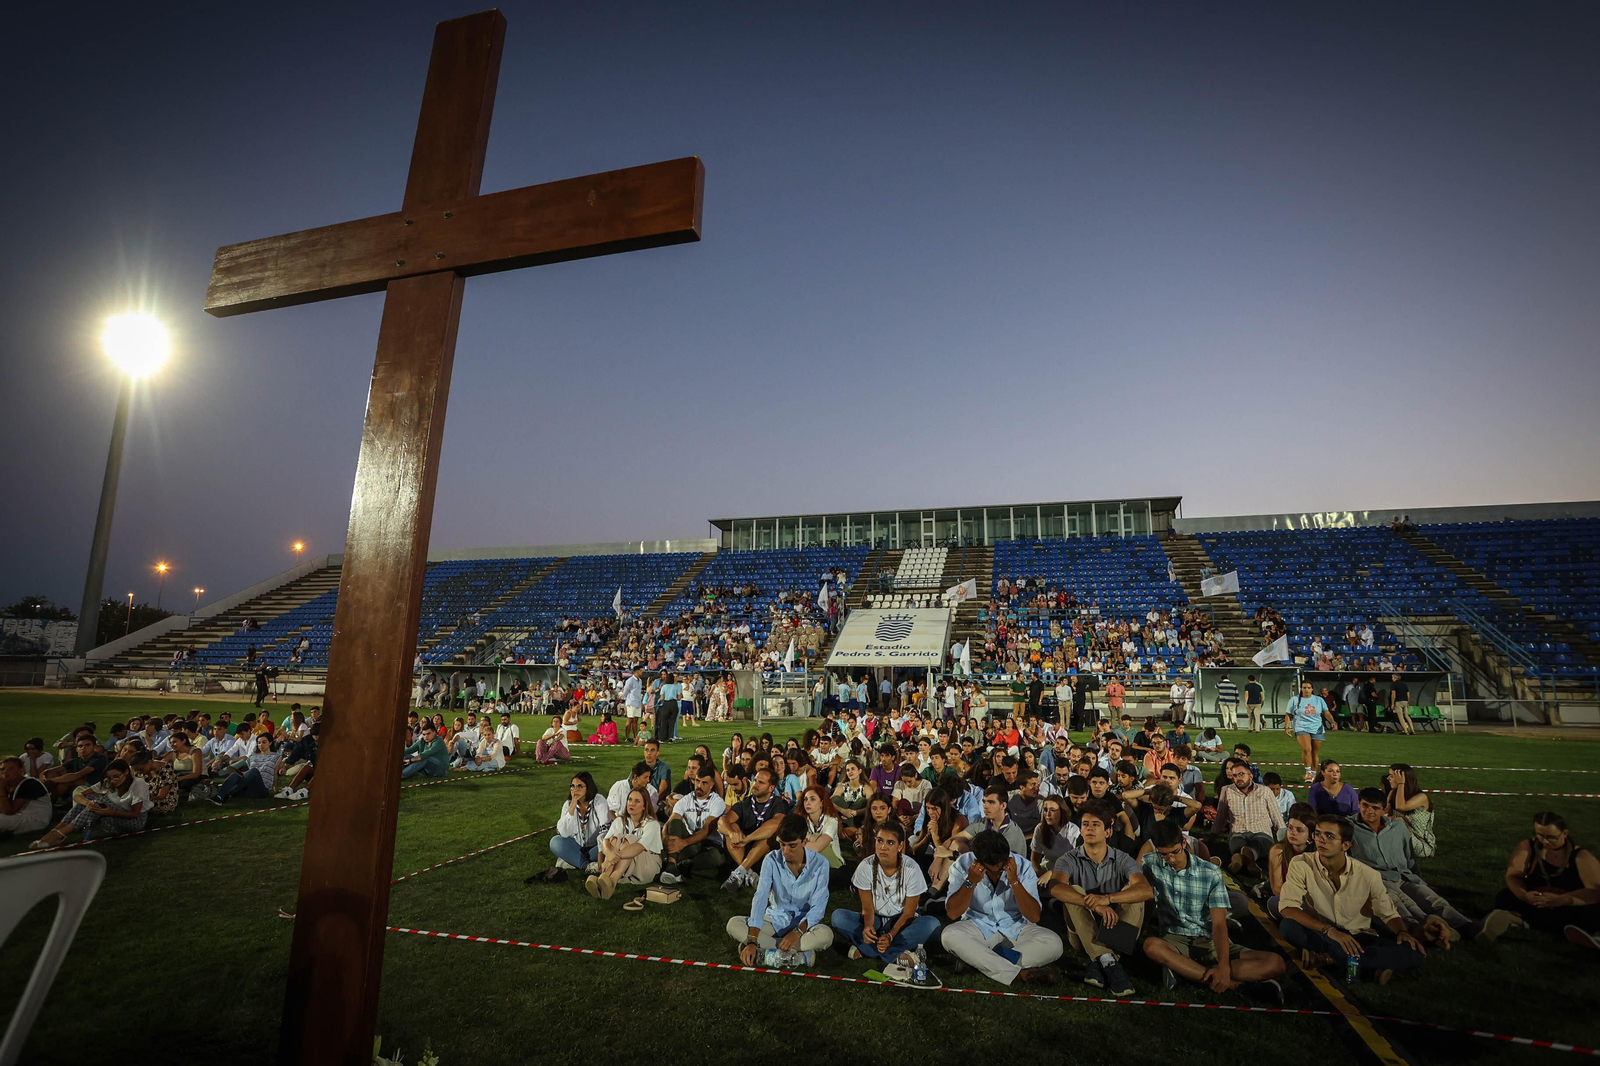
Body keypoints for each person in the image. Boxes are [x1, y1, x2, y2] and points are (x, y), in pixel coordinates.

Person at [1141, 820, 1287, 1000]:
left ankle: (1187, 971)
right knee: (1151, 946)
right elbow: (1144, 898)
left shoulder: (1210, 873)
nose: (1171, 859)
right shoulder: (1149, 863)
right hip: (1174, 938)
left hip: (1208, 938)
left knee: (1276, 963)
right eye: (1164, 855)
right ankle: (1235, 985)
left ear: (1184, 843)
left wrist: (1224, 967)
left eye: (1175, 852)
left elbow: (1219, 924)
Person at [1278, 815, 1428, 981]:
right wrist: (1329, 930)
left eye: (1329, 836)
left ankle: (1330, 959)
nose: (1321, 840)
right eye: (1318, 834)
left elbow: (1387, 913)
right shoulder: (1301, 863)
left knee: (1415, 953)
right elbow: (1288, 908)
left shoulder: (1368, 875)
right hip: (1322, 932)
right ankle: (1359, 967)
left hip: (1357, 936)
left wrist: (1402, 931)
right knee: (1288, 926)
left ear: (1346, 845)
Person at [1351, 787, 1488, 946]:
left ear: (1384, 809)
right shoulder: (1349, 828)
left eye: (1375, 808)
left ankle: (1467, 927)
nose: (1369, 811)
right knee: (1402, 904)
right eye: (1365, 805)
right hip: (1377, 879)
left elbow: (1410, 857)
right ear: (1358, 803)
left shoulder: (1397, 827)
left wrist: (1420, 880)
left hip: (1404, 876)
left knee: (1432, 899)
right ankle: (1428, 928)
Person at [1048, 801, 1150, 995]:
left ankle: (1099, 960)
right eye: (1085, 824)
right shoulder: (1068, 859)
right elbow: (1055, 889)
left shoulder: (1122, 858)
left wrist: (1108, 899)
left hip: (1116, 929)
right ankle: (1110, 962)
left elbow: (1146, 890)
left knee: (1134, 892)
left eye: (1096, 825)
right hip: (1082, 930)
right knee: (1074, 890)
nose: (1089, 829)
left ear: (1108, 832)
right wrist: (1095, 905)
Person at [941, 828, 1063, 986]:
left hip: (1016, 927)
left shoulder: (1022, 866)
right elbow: (952, 913)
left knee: (1054, 943)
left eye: (1001, 868)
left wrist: (1014, 881)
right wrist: (971, 881)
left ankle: (977, 962)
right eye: (994, 871)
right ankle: (1020, 973)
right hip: (978, 926)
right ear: (978, 861)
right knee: (949, 935)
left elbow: (1034, 916)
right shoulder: (963, 865)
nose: (999, 873)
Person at [726, 814, 834, 967]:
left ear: (804, 842)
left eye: (792, 845)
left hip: (803, 924)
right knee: (734, 924)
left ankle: (765, 950)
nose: (785, 851)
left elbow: (818, 908)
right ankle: (796, 956)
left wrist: (797, 933)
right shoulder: (771, 859)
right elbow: (760, 897)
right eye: (782, 844)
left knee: (826, 935)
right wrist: (751, 939)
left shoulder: (821, 864)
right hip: (774, 919)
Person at [831, 820, 940, 965]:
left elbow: (909, 913)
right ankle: (896, 953)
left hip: (903, 923)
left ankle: (869, 949)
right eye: (880, 841)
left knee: (932, 925)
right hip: (875, 920)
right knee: (838, 917)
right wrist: (868, 927)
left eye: (890, 843)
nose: (883, 847)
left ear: (900, 846)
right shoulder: (865, 866)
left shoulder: (911, 869)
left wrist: (890, 935)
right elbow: (867, 908)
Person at [1494, 812, 1600, 949]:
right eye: (1540, 835)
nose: (1545, 841)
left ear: (1565, 834)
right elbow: (1513, 875)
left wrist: (1562, 899)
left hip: (1566, 904)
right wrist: (1524, 895)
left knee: (1594, 910)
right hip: (1537, 901)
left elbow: (1595, 891)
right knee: (1505, 895)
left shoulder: (1581, 857)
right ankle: (1522, 921)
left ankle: (1518, 921)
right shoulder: (1529, 846)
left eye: (1551, 837)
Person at [30, 759, 150, 848]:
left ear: (126, 773)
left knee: (98, 802)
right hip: (111, 817)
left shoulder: (138, 784)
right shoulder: (108, 782)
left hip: (134, 821)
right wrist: (88, 803)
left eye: (116, 776)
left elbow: (136, 814)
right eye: (111, 777)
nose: (113, 780)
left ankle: (60, 834)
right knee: (91, 800)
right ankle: (55, 831)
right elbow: (79, 795)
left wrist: (111, 812)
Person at [718, 767, 791, 890]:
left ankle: (741, 871)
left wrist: (748, 838)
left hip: (766, 854)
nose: (755, 785)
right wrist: (731, 833)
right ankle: (748, 873)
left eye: (761, 782)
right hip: (743, 850)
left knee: (769, 833)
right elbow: (722, 821)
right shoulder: (745, 803)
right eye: (756, 780)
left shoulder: (779, 803)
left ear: (771, 788)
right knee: (732, 827)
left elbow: (777, 822)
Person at [588, 786, 663, 898]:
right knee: (615, 838)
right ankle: (604, 878)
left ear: (644, 806)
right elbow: (605, 842)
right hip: (625, 863)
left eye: (637, 801)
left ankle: (612, 882)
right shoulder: (620, 820)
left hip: (647, 866)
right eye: (630, 799)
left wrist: (612, 858)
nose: (631, 804)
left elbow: (639, 847)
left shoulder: (652, 824)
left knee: (630, 839)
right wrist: (609, 854)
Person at [1214, 760, 1285, 877]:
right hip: (1238, 833)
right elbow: (1220, 816)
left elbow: (1276, 816)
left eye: (1241, 774)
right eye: (1235, 776)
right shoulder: (1226, 791)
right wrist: (1213, 835)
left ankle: (1240, 859)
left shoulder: (1265, 791)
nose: (1238, 778)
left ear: (1251, 776)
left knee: (1258, 843)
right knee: (1237, 843)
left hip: (1261, 832)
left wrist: (1283, 839)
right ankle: (1248, 860)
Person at [538, 772, 611, 883]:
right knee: (555, 842)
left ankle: (572, 860)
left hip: (596, 848)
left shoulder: (599, 801)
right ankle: (586, 866)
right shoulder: (568, 805)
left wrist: (601, 854)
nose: (575, 789)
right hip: (577, 845)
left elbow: (604, 831)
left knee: (611, 845)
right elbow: (563, 833)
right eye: (572, 786)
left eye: (579, 786)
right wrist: (572, 808)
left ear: (588, 787)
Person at [661, 765, 728, 883]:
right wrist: (665, 836)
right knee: (675, 822)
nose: (699, 786)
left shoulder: (717, 802)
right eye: (697, 781)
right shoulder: (686, 800)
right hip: (691, 842)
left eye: (704, 783)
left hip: (709, 843)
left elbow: (706, 830)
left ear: (712, 784)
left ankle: (680, 866)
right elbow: (669, 822)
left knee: (717, 858)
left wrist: (684, 842)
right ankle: (672, 864)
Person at [212, 733, 282, 804]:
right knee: (234, 775)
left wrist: (275, 789)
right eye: (259, 743)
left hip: (262, 788)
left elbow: (275, 774)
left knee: (254, 771)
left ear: (270, 743)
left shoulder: (275, 757)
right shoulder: (253, 756)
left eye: (264, 742)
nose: (261, 745)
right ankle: (219, 797)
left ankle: (228, 792)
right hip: (248, 787)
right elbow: (248, 774)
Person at [1284, 679, 1331, 784]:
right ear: (1301, 689)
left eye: (1308, 688)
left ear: (1312, 689)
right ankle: (1308, 772)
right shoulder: (1294, 700)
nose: (1306, 690)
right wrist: (1287, 727)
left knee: (1315, 751)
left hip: (1317, 727)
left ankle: (1314, 774)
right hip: (1301, 727)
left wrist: (1332, 721)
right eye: (1304, 688)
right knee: (1307, 749)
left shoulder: (1319, 700)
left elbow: (1326, 712)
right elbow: (1288, 714)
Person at [1386, 763, 1435, 859]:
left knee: (1398, 821)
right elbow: (1386, 813)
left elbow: (1401, 806)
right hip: (1401, 837)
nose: (1388, 778)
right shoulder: (1393, 793)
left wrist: (1401, 784)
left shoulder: (1421, 797)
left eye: (1392, 776)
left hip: (1421, 843)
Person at [41, 735, 107, 801]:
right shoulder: (77, 760)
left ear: (94, 747)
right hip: (80, 787)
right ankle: (48, 799)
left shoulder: (99, 759)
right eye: (80, 746)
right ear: (76, 749)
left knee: (69, 782)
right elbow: (52, 770)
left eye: (87, 745)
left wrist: (52, 781)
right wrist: (44, 775)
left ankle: (49, 800)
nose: (83, 748)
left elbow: (78, 775)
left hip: (95, 789)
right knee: (51, 774)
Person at [0, 755, 53, 836]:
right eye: (2, 769)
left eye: (11, 768)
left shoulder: (29, 783)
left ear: (21, 769)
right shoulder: (8, 783)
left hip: (35, 820)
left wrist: (1, 788)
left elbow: (9, 811)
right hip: (19, 815)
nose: (5, 772)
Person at [622, 667, 644, 744]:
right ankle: (627, 737)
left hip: (637, 702)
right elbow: (625, 691)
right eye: (641, 670)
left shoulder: (640, 681)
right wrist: (626, 702)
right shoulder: (630, 681)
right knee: (630, 720)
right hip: (631, 702)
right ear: (637, 671)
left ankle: (635, 737)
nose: (642, 672)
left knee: (636, 720)